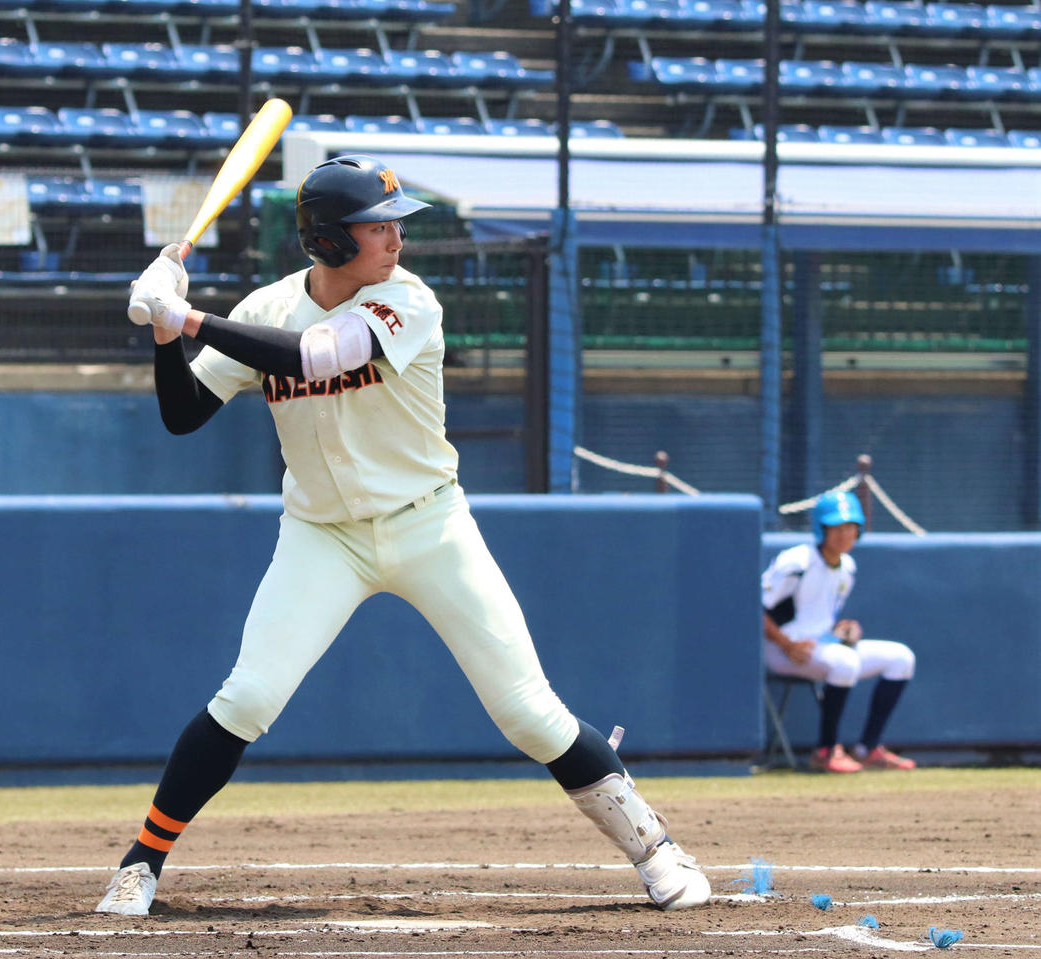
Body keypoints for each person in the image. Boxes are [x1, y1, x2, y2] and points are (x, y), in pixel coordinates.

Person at [95, 154, 711, 916]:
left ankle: (656, 849)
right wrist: (163, 335)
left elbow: (320, 356)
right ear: (327, 240)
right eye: (377, 225)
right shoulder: (268, 307)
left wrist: (187, 318)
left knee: (526, 709)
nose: (395, 237)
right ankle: (141, 862)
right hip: (322, 535)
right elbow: (184, 412)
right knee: (248, 694)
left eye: (394, 223)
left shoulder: (410, 301)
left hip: (429, 523)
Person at [761, 490, 917, 773]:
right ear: (822, 529)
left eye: (850, 528)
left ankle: (867, 749)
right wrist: (786, 644)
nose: (844, 534)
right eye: (837, 528)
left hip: (819, 646)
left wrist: (842, 631)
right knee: (845, 662)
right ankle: (825, 750)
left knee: (901, 657)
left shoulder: (847, 567)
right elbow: (755, 608)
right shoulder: (797, 560)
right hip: (779, 650)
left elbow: (817, 619)